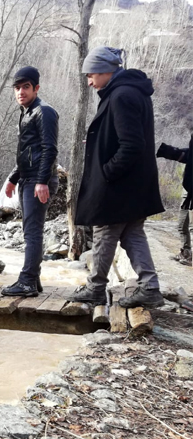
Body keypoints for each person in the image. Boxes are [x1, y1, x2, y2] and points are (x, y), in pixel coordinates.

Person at [70, 46, 165, 308]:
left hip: (120, 183)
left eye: (91, 75)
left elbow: (132, 144)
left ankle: (95, 288)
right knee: (132, 233)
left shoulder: (121, 95)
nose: (89, 82)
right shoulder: (129, 91)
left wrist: (108, 171)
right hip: (134, 182)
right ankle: (150, 287)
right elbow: (122, 136)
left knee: (104, 230)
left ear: (105, 71)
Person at [1, 66, 59, 298]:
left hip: (38, 179)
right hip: (28, 178)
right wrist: (14, 178)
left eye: (25, 87)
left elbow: (49, 149)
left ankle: (26, 282)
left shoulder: (44, 112)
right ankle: (33, 279)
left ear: (36, 88)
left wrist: (42, 180)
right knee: (30, 230)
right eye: (17, 88)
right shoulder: (27, 112)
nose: (20, 92)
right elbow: (27, 152)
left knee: (32, 232)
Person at [156, 131, 192, 266]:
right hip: (188, 191)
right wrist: (170, 152)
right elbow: (188, 155)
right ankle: (186, 253)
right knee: (182, 224)